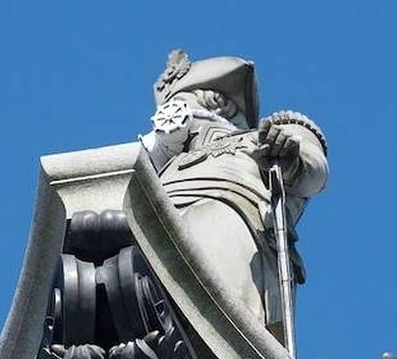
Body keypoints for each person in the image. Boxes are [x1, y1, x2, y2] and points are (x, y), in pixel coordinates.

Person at [139, 49, 329, 343]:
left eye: (179, 106)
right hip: (157, 225)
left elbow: (313, 173)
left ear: (218, 105)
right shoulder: (161, 163)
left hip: (229, 216)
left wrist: (291, 158)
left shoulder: (256, 142)